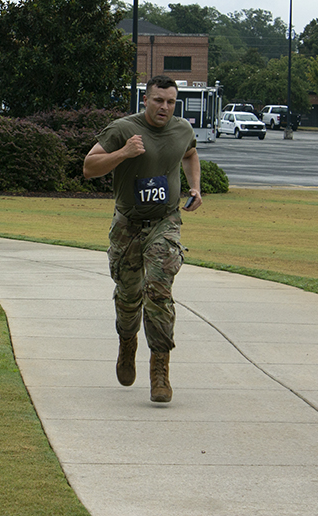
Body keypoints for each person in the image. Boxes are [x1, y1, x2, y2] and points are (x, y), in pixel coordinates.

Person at [82, 75, 202, 404]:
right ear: (145, 100)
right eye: (158, 100)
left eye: (171, 101)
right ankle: (127, 341)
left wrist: (195, 187)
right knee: (128, 293)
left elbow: (190, 155)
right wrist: (123, 152)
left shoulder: (182, 130)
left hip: (165, 221)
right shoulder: (122, 129)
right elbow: (89, 167)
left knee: (159, 290)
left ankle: (160, 368)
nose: (164, 107)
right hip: (128, 224)